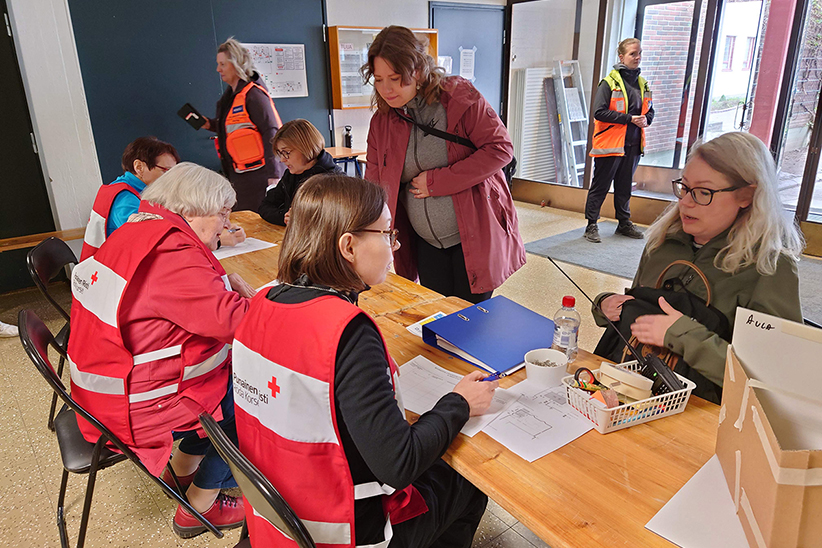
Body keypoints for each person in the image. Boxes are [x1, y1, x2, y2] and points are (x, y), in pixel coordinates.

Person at [232, 174, 497, 547]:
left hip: (279, 511)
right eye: (388, 234)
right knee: (466, 483)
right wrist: (459, 404)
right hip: (341, 530)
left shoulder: (262, 300)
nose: (394, 247)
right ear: (348, 246)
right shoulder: (347, 333)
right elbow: (398, 465)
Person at [67, 163, 258, 538]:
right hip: (132, 408)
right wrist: (278, 302)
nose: (225, 223)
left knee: (230, 379)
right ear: (191, 209)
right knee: (252, 398)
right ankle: (200, 507)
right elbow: (241, 325)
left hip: (104, 390)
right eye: (221, 212)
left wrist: (220, 279)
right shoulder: (172, 253)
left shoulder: (141, 229)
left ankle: (184, 466)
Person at [594, 132, 803, 403]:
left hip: (702, 414)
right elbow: (634, 306)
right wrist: (605, 304)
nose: (686, 202)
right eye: (684, 187)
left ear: (746, 195)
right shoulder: (662, 242)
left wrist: (683, 336)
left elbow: (771, 379)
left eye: (704, 192)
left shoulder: (770, 268)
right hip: (629, 391)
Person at [363, 26, 525, 304]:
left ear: (418, 70)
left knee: (472, 320)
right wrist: (368, 231)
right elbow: (374, 182)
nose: (386, 89)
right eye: (378, 79)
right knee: (438, 317)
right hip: (424, 242)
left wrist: (438, 182)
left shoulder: (458, 98)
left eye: (395, 78)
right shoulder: (383, 120)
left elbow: (501, 149)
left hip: (473, 236)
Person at [202, 37, 285, 212]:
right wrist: (209, 124)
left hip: (261, 175)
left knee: (261, 221)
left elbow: (272, 132)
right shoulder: (230, 97)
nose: (218, 69)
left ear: (236, 63)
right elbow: (234, 126)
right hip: (240, 175)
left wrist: (274, 175)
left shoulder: (254, 95)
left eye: (223, 64)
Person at [584, 38, 654, 243]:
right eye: (633, 54)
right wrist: (629, 119)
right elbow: (599, 112)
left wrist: (646, 120)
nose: (638, 57)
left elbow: (651, 110)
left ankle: (624, 223)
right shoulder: (609, 83)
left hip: (633, 144)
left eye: (639, 53)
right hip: (611, 145)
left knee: (624, 187)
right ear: (621, 57)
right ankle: (591, 224)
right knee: (601, 185)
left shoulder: (643, 83)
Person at [80, 137, 180, 260]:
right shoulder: (124, 198)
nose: (172, 179)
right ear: (139, 167)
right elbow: (149, 238)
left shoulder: (133, 189)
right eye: (166, 171)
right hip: (112, 267)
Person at [258, 118, 340, 226]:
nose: (282, 159)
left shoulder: (335, 180)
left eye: (286, 152)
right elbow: (265, 206)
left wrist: (301, 220)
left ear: (305, 148)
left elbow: (334, 222)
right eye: (280, 154)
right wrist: (285, 217)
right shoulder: (291, 175)